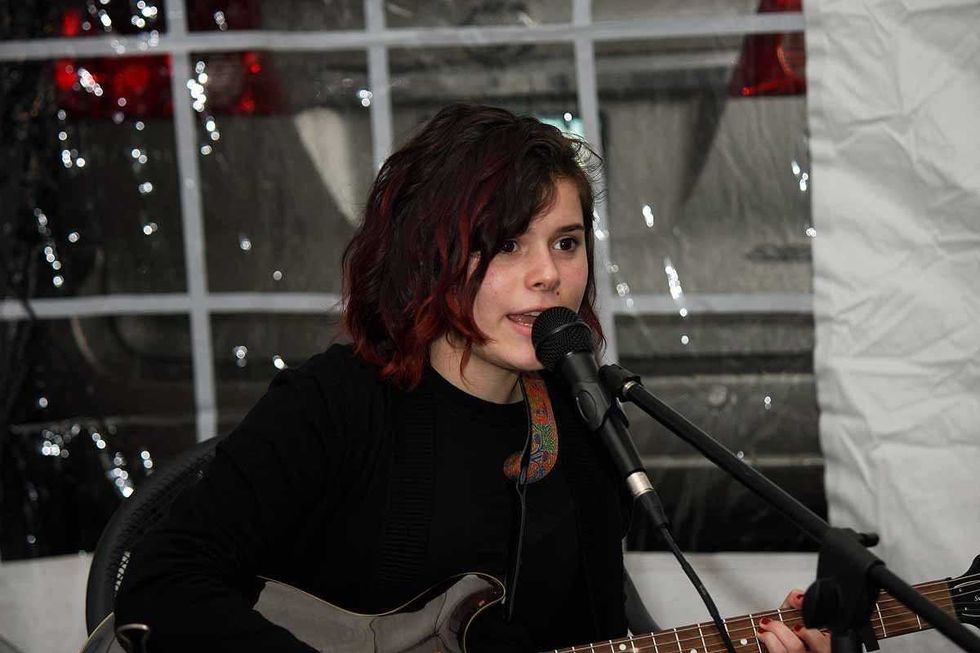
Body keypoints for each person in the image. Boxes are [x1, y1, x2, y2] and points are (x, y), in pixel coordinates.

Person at [114, 103, 828, 653]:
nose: (548, 274)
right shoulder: (333, 404)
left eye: (567, 242)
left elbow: (598, 634)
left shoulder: (583, 427)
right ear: (429, 256)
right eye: (508, 243)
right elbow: (162, 577)